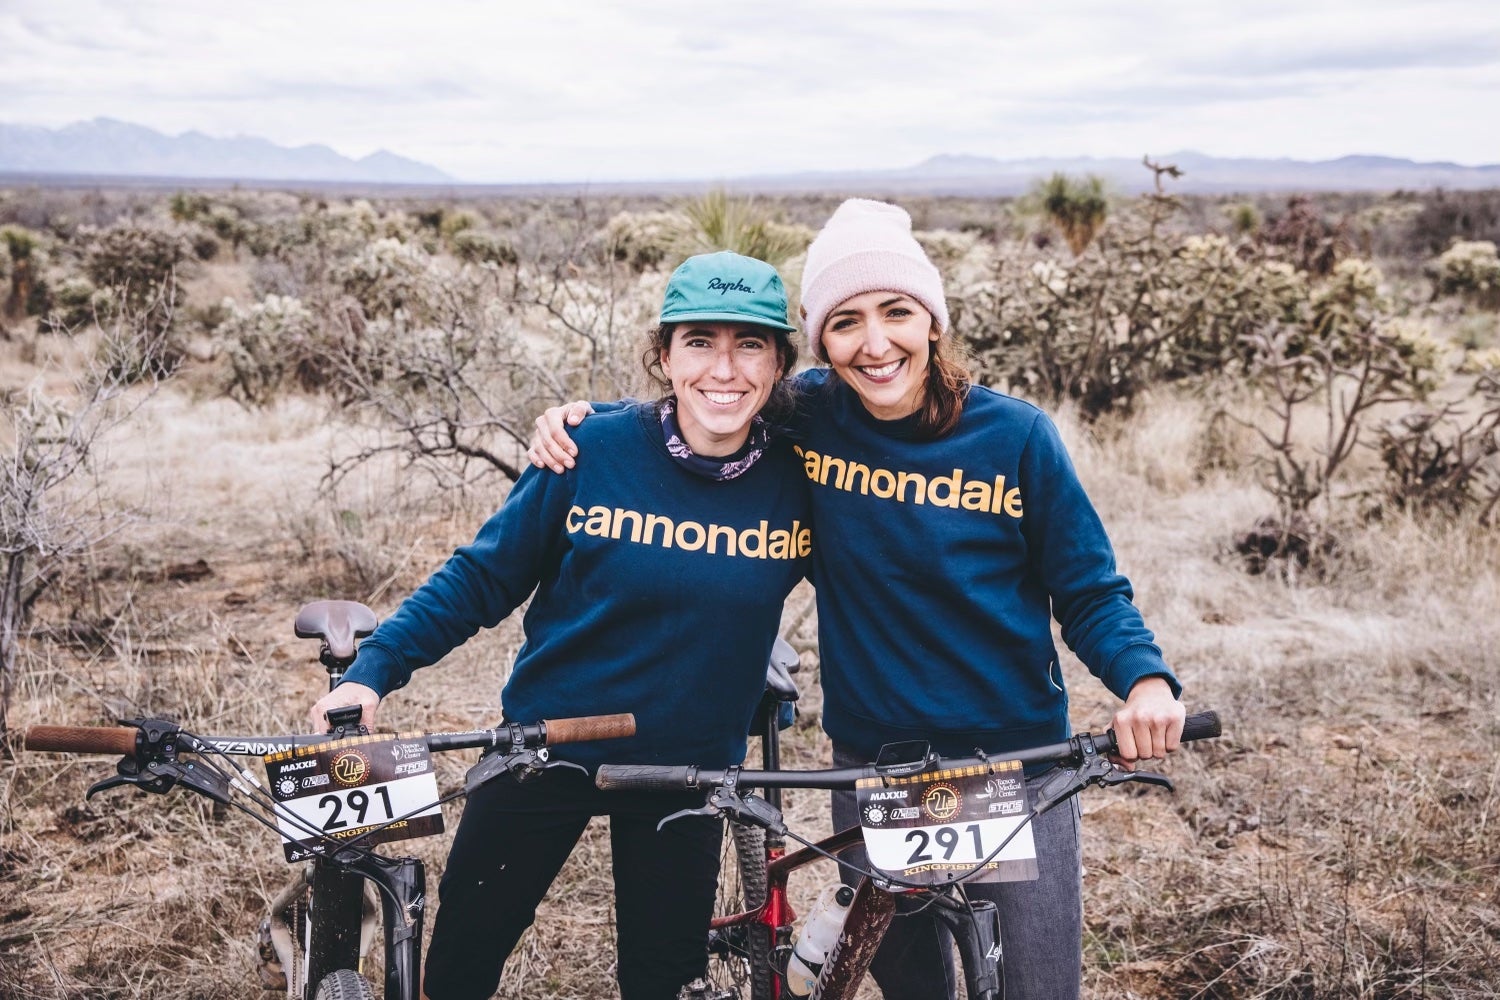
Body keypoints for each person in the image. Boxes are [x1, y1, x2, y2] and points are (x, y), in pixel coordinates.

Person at [526, 200, 1186, 1000]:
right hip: (876, 763)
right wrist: (581, 422)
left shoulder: (1016, 437)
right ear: (822, 342)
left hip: (1019, 763)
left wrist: (1145, 682)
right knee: (914, 989)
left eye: (896, 313)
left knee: (1039, 987)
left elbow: (1088, 589)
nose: (875, 345)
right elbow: (702, 400)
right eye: (845, 323)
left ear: (933, 322)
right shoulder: (809, 417)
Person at [308, 251, 812, 1000]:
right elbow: (480, 578)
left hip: (688, 770)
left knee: (665, 984)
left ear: (778, 366)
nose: (725, 369)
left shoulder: (803, 478)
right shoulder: (589, 449)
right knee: (459, 967)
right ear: (666, 356)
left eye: (751, 345)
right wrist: (371, 673)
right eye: (700, 342)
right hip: (547, 744)